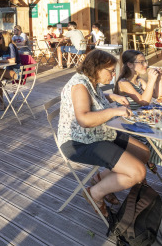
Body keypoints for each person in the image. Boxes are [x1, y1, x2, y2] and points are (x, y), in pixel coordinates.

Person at [57, 49, 149, 218]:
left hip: (99, 134)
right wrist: (115, 111)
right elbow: (84, 119)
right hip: (80, 142)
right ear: (97, 68)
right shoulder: (79, 86)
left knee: (143, 153)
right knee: (138, 172)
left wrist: (112, 96)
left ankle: (100, 179)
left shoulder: (91, 81)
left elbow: (94, 98)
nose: (114, 75)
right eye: (111, 71)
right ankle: (94, 193)